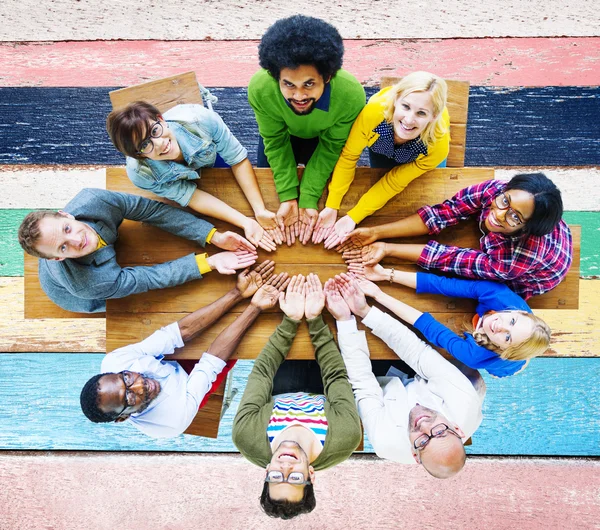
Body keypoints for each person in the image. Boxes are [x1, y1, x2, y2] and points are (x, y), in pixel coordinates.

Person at [79, 262, 287, 438]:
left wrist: (237, 293)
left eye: (126, 378)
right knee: (243, 341)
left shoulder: (114, 362)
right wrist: (255, 306)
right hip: (186, 389)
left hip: (169, 362)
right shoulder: (171, 421)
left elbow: (178, 333)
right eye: (129, 398)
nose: (140, 386)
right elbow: (210, 363)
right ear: (123, 417)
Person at [326, 276, 485, 477]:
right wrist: (364, 311)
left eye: (423, 441)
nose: (424, 424)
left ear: (414, 455)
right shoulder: (464, 401)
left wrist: (345, 320)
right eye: (439, 431)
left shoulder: (385, 442)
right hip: (439, 377)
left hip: (387, 385)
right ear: (457, 429)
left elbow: (363, 383)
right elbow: (417, 352)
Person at [232, 274, 362, 519]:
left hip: (281, 383)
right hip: (324, 386)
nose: (285, 467)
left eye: (276, 476)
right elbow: (335, 377)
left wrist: (290, 320)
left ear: (266, 471)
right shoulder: (346, 438)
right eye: (295, 478)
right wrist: (314, 319)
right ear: (311, 475)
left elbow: (261, 373)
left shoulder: (245, 437)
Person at [18, 188, 258, 313]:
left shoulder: (92, 199)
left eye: (67, 228)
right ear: (59, 257)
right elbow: (149, 279)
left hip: (97, 267)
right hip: (76, 293)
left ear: (65, 214)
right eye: (63, 246)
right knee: (124, 304)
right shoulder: (87, 285)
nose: (77, 239)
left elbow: (150, 211)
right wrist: (211, 262)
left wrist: (211, 235)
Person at [340, 173, 572, 299]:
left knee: (483, 292)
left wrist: (388, 248)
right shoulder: (497, 190)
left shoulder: (514, 260)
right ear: (505, 190)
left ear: (526, 228)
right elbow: (443, 213)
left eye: (514, 217)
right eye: (504, 202)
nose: (499, 215)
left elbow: (451, 260)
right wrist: (375, 232)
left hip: (532, 276)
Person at [249, 15, 366, 245]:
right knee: (271, 194)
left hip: (322, 140)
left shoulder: (351, 96)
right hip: (282, 137)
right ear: (275, 78)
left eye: (309, 84)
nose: (299, 96)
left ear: (328, 76)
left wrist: (308, 198)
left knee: (322, 196)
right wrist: (289, 196)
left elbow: (332, 146)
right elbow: (274, 139)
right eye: (289, 84)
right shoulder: (260, 89)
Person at [107, 100, 281, 249]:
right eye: (145, 145)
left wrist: (259, 210)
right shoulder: (140, 174)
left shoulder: (202, 120)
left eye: (154, 131)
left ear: (161, 119)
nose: (160, 144)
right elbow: (191, 196)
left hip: (211, 157)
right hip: (178, 180)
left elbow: (237, 160)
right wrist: (245, 222)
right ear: (139, 155)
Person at [313, 72, 450, 247]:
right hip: (382, 144)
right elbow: (348, 157)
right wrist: (332, 205)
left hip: (420, 157)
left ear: (434, 116)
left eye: (421, 113)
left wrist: (354, 216)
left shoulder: (437, 146)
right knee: (377, 177)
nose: (409, 119)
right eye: (406, 107)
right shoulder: (372, 114)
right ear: (395, 100)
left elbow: (394, 183)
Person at [347, 263, 551, 377]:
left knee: (512, 366)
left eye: (507, 337)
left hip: (506, 365)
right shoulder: (502, 297)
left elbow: (429, 327)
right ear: (521, 313)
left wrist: (378, 295)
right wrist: (386, 274)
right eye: (512, 322)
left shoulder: (477, 356)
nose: (501, 326)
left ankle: (520, 360)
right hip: (509, 339)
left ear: (505, 349)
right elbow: (444, 285)